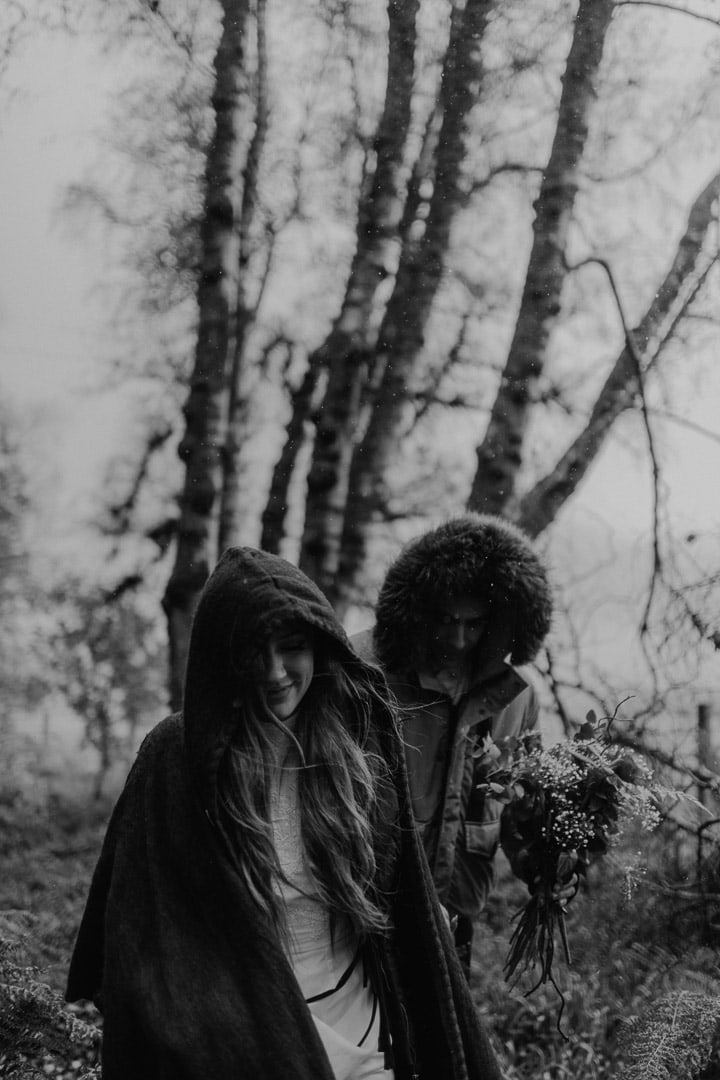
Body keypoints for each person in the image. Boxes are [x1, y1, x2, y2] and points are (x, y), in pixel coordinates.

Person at [66, 546, 505, 1080]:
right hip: (244, 1034)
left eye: (293, 647)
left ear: (319, 647)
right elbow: (140, 928)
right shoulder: (179, 757)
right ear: (224, 655)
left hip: (362, 1025)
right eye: (256, 650)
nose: (276, 672)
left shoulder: (356, 736)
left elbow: (396, 875)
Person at [353, 513, 558, 977]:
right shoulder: (363, 672)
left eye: (474, 624)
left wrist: (545, 861)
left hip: (456, 911)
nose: (458, 638)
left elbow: (518, 811)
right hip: (365, 909)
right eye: (445, 620)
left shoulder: (516, 698)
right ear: (420, 609)